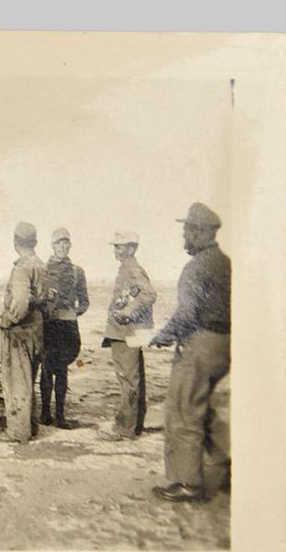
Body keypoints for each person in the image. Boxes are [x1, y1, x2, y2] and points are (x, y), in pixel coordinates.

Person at [150, 203, 231, 502]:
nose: (184, 237)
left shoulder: (195, 268)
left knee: (184, 411)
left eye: (187, 231)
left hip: (200, 345)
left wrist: (162, 336)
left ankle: (188, 482)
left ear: (199, 232)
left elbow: (186, 314)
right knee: (215, 412)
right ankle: (229, 471)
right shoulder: (225, 263)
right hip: (226, 345)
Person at [98, 231, 157, 441]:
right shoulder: (128, 268)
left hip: (125, 333)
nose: (116, 250)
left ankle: (126, 428)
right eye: (115, 246)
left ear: (131, 249)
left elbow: (149, 294)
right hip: (129, 333)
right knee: (133, 378)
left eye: (120, 246)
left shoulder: (131, 268)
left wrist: (128, 313)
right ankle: (134, 424)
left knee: (128, 379)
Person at [0, 222, 47, 443]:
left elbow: (21, 301)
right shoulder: (41, 264)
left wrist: (9, 320)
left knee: (17, 380)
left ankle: (18, 430)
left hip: (20, 331)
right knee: (29, 378)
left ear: (16, 242)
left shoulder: (22, 267)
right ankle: (31, 424)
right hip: (36, 328)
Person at [40, 227, 89, 429]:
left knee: (62, 371)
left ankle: (60, 416)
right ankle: (44, 413)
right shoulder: (43, 270)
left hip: (68, 327)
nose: (63, 246)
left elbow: (85, 302)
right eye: (59, 242)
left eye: (66, 242)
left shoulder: (78, 272)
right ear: (52, 245)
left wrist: (73, 314)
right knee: (45, 369)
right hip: (48, 324)